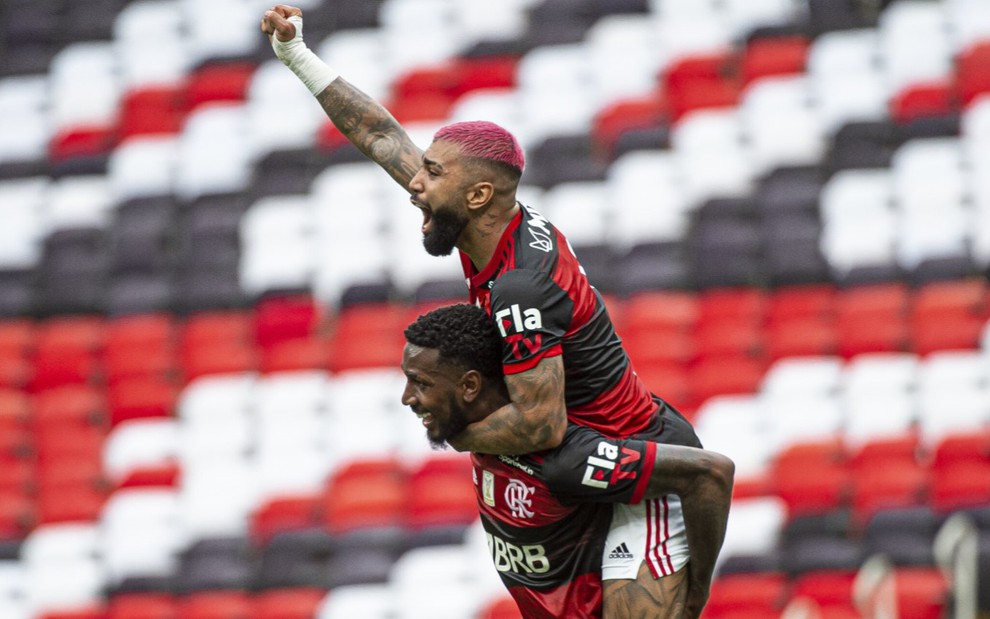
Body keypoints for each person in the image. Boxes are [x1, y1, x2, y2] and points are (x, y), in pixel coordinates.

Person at [261, 6, 716, 616]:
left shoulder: (521, 287)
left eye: (432, 172)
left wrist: (447, 428)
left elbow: (540, 428)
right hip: (580, 465)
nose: (415, 182)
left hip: (633, 464)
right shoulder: (484, 225)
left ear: (478, 195)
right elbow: (380, 136)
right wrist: (297, 55)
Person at [402, 304, 734, 618]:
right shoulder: (475, 433)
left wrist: (697, 592)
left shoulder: (563, 461)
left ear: (470, 385)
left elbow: (710, 474)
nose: (407, 398)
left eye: (421, 383)